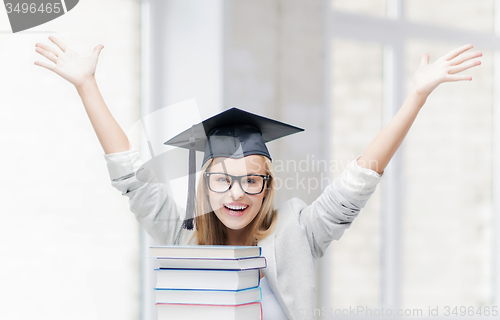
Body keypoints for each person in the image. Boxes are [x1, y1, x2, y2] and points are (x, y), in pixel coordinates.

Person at [35, 36, 482, 320]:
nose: (237, 193)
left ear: (267, 187)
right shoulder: (183, 235)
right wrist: (86, 86)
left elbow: (360, 177)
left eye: (252, 180)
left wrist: (416, 97)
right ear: (204, 188)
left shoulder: (298, 231)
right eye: (222, 180)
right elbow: (132, 175)